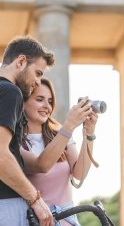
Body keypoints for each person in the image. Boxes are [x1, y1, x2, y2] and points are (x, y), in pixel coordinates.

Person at [0, 36, 56, 226]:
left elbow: (5, 151)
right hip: (3, 209)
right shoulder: (9, 92)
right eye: (37, 73)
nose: (38, 82)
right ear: (21, 61)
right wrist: (36, 200)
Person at [20, 77, 99, 226]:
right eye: (40, 99)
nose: (46, 106)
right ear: (23, 102)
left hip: (69, 220)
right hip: (38, 221)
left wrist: (89, 133)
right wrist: (68, 126)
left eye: (50, 101)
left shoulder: (60, 135)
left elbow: (79, 173)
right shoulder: (17, 142)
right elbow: (41, 166)